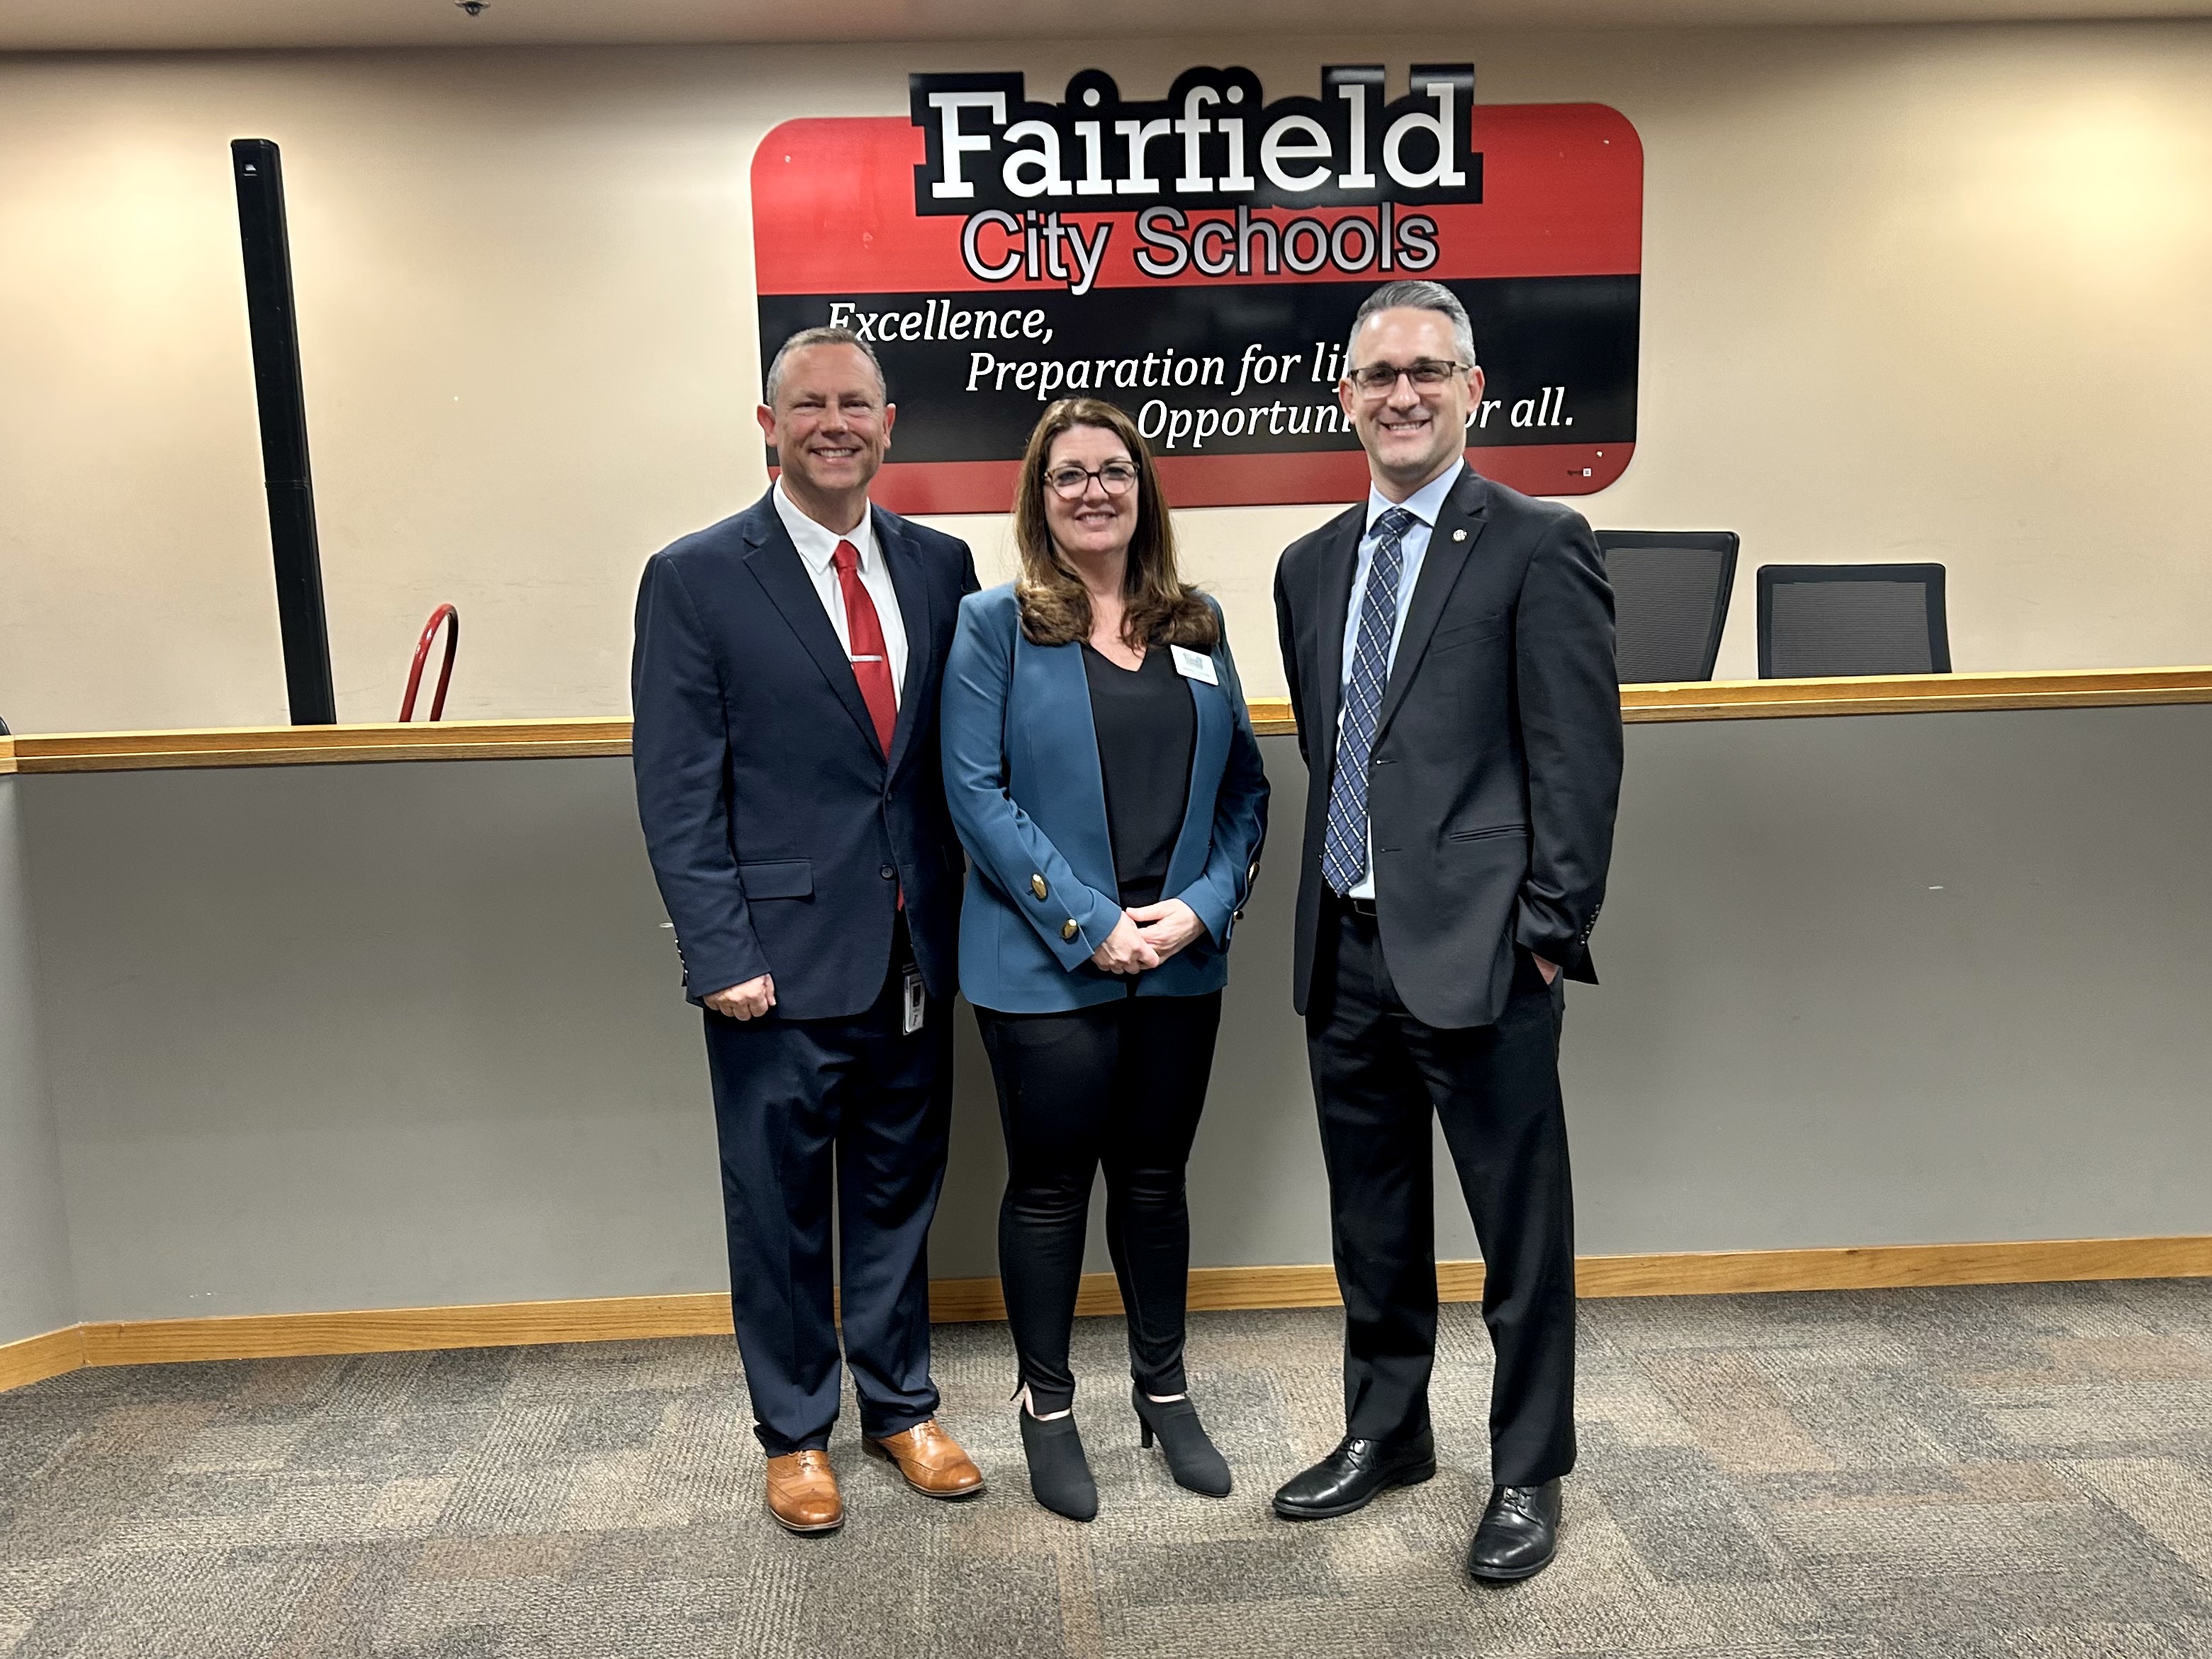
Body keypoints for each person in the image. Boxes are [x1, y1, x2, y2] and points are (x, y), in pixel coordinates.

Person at [1269, 281, 1622, 1582]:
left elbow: (1577, 756)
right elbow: (1335, 748)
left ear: (1472, 389)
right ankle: (1388, 1429)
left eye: (1427, 370)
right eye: (1378, 374)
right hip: (1343, 946)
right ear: (1346, 397)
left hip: (1484, 951)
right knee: (1370, 1221)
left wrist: (1547, 929)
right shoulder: (1309, 566)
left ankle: (1527, 1467)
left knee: (1518, 1236)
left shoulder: (1537, 541)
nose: (1402, 393)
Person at [630, 325, 984, 1535]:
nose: (834, 423)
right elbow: (678, 789)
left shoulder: (940, 565)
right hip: (773, 966)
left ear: (890, 424)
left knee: (898, 1193)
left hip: (915, 952)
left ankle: (901, 1408)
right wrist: (719, 951)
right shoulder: (695, 576)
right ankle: (794, 1433)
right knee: (777, 1210)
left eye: (856, 404)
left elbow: (945, 763)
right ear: (768, 425)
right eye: (809, 405)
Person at [940, 398, 1269, 1522]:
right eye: (1068, 474)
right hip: (1044, 965)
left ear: (1143, 489)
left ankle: (1163, 1391)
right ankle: (1047, 1405)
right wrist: (1092, 923)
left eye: (1113, 470)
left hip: (1178, 961)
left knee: (1155, 1181)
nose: (1093, 490)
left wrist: (1201, 910)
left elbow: (1245, 790)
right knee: (1047, 1190)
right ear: (1039, 498)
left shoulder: (1196, 622)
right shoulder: (996, 624)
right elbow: (974, 794)